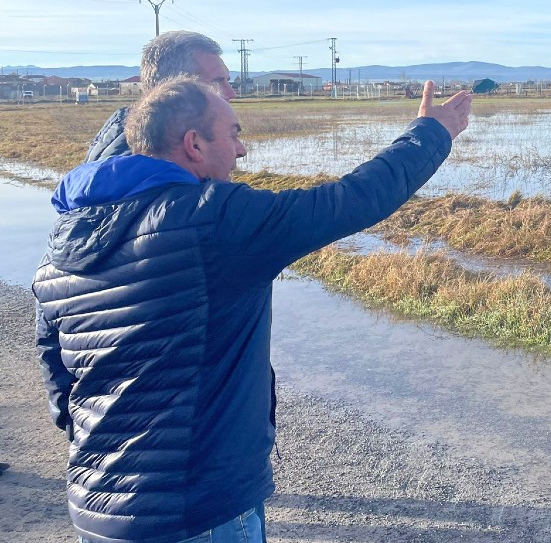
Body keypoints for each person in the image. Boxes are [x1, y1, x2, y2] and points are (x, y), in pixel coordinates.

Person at [34, 76, 471, 543]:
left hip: (97, 509)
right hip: (197, 512)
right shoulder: (212, 220)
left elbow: (58, 380)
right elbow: (349, 201)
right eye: (234, 134)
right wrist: (431, 133)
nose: (242, 151)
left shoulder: (61, 247)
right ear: (194, 144)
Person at [86, 30, 238, 162]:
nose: (231, 93)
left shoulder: (120, 144)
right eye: (217, 82)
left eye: (227, 81)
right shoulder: (151, 167)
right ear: (175, 88)